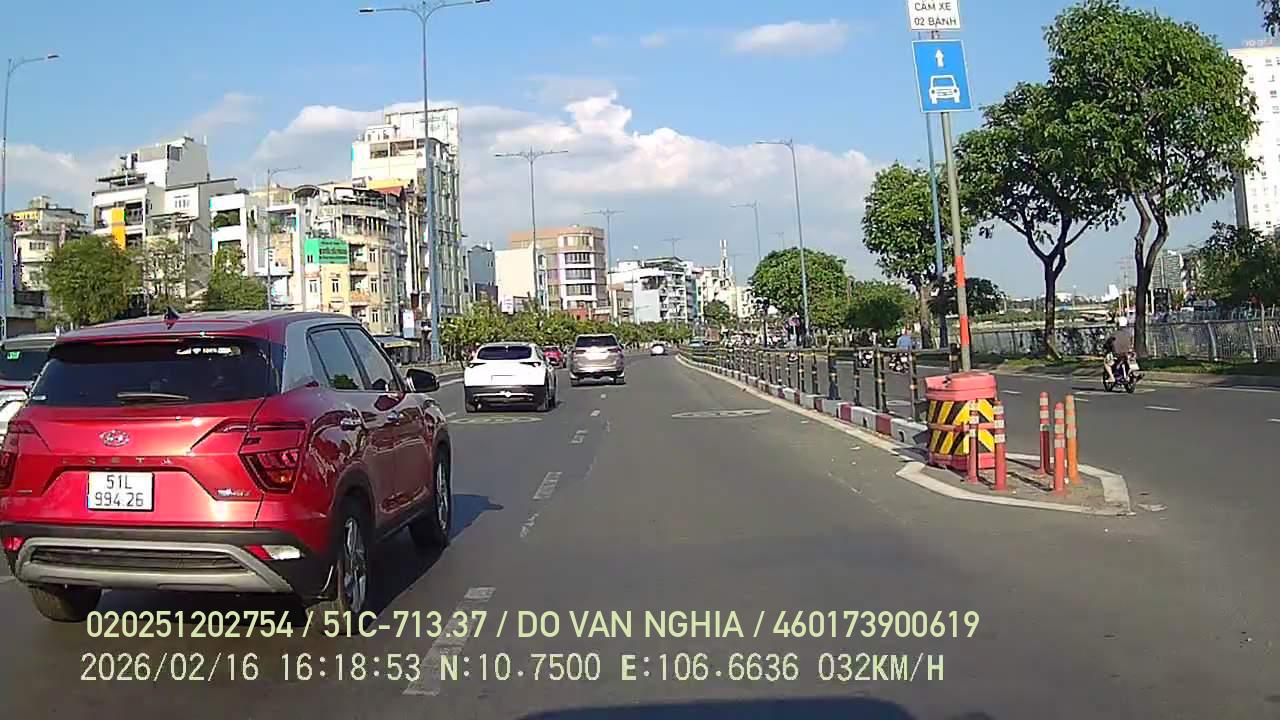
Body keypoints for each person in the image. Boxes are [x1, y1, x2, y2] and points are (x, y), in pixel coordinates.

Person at [1103, 318, 1137, 383]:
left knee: (1106, 363)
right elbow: (1132, 343)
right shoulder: (1129, 334)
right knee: (1131, 361)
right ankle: (1129, 374)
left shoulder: (1114, 334)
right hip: (1128, 353)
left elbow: (1108, 343)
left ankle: (1112, 377)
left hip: (1118, 354)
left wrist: (1106, 346)